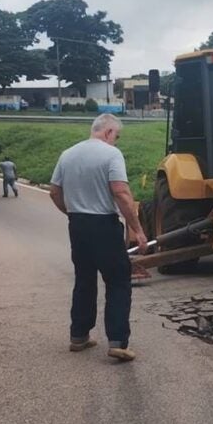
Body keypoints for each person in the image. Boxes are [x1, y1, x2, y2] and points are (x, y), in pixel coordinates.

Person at [49, 114, 148, 362]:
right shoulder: (111, 154)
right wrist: (137, 229)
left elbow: (54, 192)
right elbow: (121, 193)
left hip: (77, 224)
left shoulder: (67, 154)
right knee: (117, 280)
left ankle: (79, 336)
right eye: (117, 136)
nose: (116, 141)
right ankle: (117, 341)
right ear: (108, 132)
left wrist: (71, 211)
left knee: (84, 279)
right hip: (104, 224)